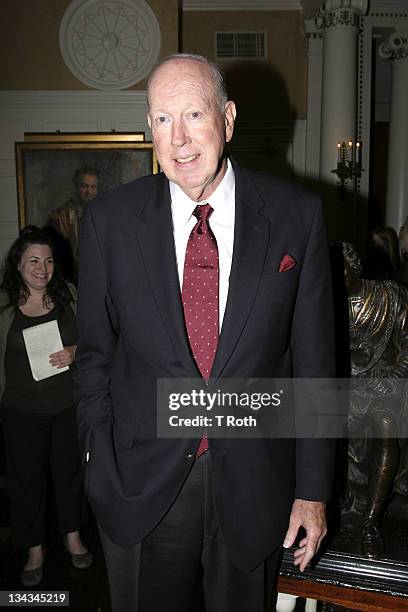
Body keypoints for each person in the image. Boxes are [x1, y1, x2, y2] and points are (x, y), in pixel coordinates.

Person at [74, 54, 336, 612]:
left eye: (194, 113)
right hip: (140, 483)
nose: (180, 139)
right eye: (163, 119)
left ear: (229, 119)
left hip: (254, 484)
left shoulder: (297, 215)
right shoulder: (109, 222)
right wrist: (98, 461)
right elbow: (94, 356)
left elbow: (316, 367)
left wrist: (312, 492)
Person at [0, 226, 92, 587]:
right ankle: (34, 549)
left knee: (70, 477)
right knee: (26, 483)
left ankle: (73, 538)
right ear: (18, 265)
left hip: (68, 407)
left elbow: (98, 339)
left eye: (49, 260)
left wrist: (75, 352)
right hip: (21, 413)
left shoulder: (68, 295)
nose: (42, 268)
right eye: (34, 260)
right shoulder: (4, 304)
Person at [342, 241, 408, 558]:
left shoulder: (390, 297)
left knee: (385, 424)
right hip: (349, 389)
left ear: (351, 266)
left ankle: (371, 522)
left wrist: (392, 379)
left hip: (390, 387)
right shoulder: (325, 304)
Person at [47, 165, 99, 281]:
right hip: (69, 277)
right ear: (76, 187)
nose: (89, 192)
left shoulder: (105, 215)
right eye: (84, 186)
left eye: (93, 187)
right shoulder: (60, 215)